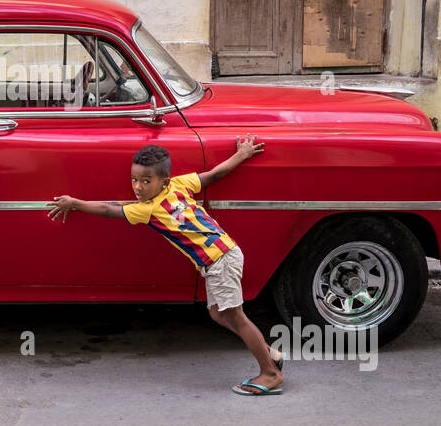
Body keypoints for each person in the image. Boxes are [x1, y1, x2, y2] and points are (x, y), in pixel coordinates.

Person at [47, 137, 284, 395]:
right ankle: (270, 353)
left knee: (236, 317)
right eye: (134, 180)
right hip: (223, 254)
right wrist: (242, 155)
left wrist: (75, 203)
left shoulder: (146, 209)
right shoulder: (179, 185)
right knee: (218, 313)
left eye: (146, 181)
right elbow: (214, 175)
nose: (138, 187)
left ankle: (270, 374)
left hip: (219, 259)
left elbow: (108, 210)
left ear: (165, 181)